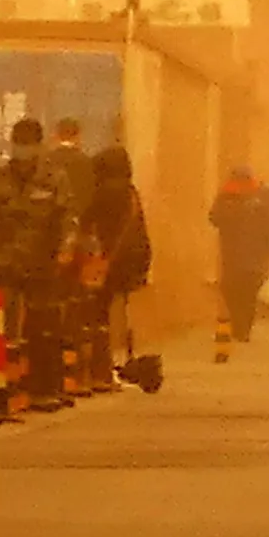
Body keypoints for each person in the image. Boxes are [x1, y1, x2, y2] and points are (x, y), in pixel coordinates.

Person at [0, 117, 74, 347]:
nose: (22, 149)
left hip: (41, 262)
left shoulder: (54, 178)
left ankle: (33, 377)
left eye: (27, 143)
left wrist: (65, 249)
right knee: (0, 329)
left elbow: (67, 218)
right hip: (5, 261)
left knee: (39, 329)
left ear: (39, 145)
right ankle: (3, 377)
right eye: (18, 143)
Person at [77, 146, 151, 385]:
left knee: (97, 314)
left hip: (105, 261)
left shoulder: (101, 192)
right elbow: (140, 231)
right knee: (118, 313)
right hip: (128, 263)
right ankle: (119, 363)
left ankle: (98, 370)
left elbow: (87, 222)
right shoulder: (131, 193)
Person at [208, 164, 269, 343]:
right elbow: (214, 217)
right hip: (238, 254)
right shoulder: (229, 195)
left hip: (246, 254)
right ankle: (241, 327)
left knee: (242, 290)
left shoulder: (261, 195)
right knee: (237, 290)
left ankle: (242, 328)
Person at [48, 116, 96, 226]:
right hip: (78, 221)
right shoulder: (86, 161)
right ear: (78, 136)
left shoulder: (48, 159)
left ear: (56, 135)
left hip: (52, 221)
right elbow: (89, 196)